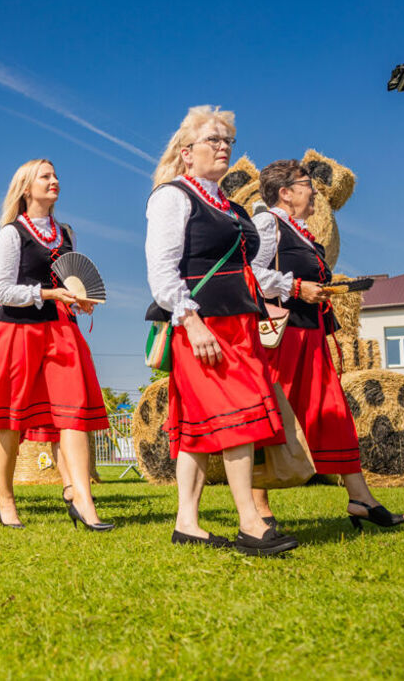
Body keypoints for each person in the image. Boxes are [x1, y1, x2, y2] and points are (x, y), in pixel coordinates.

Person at [145, 105, 297, 555]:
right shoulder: (172, 197)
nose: (224, 146)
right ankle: (250, 521)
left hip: (240, 324)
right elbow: (161, 272)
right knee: (237, 419)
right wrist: (191, 322)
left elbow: (247, 269)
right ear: (186, 153)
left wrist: (293, 287)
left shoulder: (231, 207)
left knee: (199, 426)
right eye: (213, 139)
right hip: (202, 324)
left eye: (227, 139)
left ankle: (186, 522)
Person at [250, 159, 404, 529]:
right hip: (279, 337)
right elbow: (249, 272)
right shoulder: (266, 223)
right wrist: (294, 287)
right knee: (272, 416)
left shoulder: (300, 230)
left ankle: (360, 498)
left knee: (333, 412)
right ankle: (259, 507)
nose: (315, 191)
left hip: (311, 334)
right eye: (307, 184)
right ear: (285, 193)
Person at [0, 158, 111, 531]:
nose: (54, 180)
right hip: (17, 332)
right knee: (9, 419)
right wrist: (49, 293)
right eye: (46, 176)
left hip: (61, 330)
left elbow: (68, 281)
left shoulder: (66, 234)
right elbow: (3, 290)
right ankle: (5, 498)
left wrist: (78, 298)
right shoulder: (11, 234)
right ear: (26, 189)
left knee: (74, 414)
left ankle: (82, 499)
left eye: (56, 174)